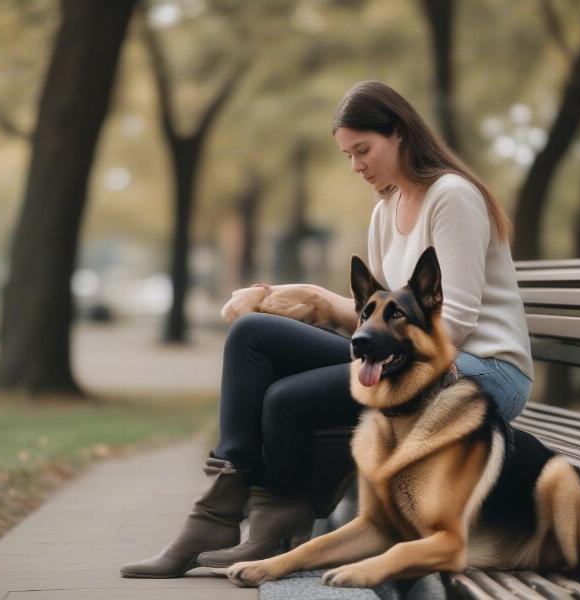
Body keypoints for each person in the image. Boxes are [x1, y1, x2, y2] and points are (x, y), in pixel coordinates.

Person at [120, 80, 533, 578]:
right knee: (254, 335)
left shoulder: (452, 197)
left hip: (479, 374)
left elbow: (459, 318)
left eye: (364, 150)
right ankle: (227, 513)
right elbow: (380, 315)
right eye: (347, 154)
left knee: (284, 394)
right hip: (417, 364)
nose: (357, 165)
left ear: (400, 134)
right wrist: (304, 298)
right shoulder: (386, 210)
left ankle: (257, 520)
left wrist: (364, 349)